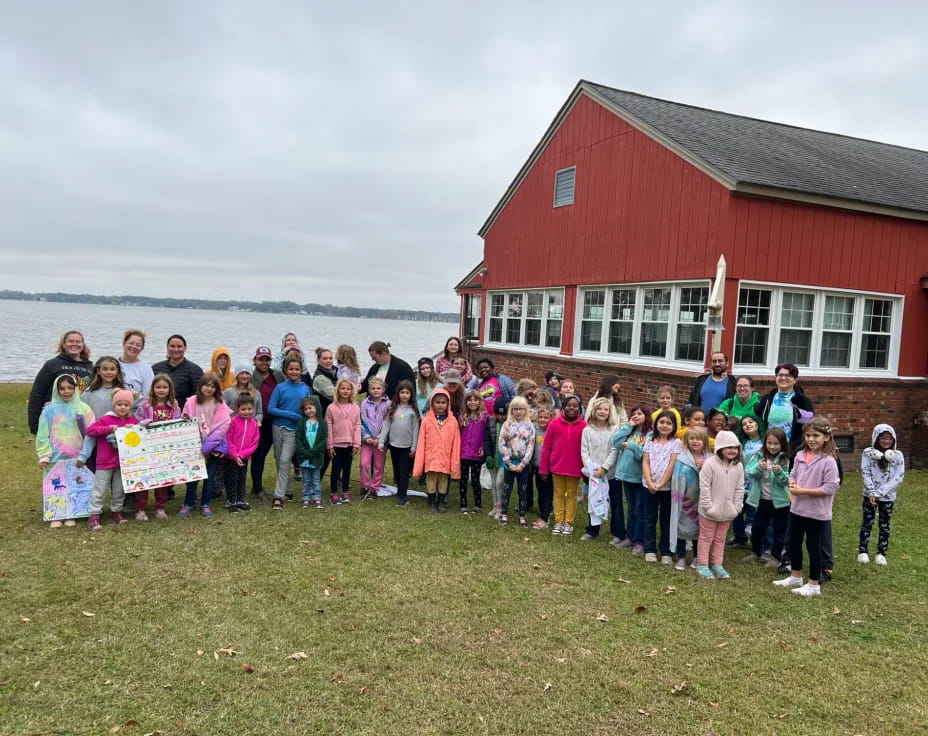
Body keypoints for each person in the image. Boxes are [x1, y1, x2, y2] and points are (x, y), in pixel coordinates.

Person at [773, 416, 840, 597]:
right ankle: (795, 576)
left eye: (816, 435)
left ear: (826, 437)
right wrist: (792, 483)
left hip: (817, 513)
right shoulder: (801, 454)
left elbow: (830, 487)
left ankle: (813, 584)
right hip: (797, 509)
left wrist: (803, 491)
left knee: (813, 546)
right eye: (808, 435)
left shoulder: (829, 461)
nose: (811, 439)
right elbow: (793, 473)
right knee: (794, 543)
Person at [36, 375, 95, 528]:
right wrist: (44, 455)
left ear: (75, 388)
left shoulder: (84, 408)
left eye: (70, 388)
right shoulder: (49, 410)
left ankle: (72, 514)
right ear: (57, 390)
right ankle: (56, 513)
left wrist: (85, 454)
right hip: (55, 457)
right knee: (56, 485)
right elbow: (42, 434)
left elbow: (91, 434)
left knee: (75, 485)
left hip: (77, 457)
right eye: (62, 388)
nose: (66, 391)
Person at [85, 389, 139, 531]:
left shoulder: (133, 421)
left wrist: (133, 429)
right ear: (114, 405)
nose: (122, 407)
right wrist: (108, 429)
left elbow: (140, 436)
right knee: (100, 488)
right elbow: (90, 431)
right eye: (119, 404)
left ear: (130, 406)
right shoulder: (105, 419)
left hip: (123, 463)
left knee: (119, 489)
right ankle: (94, 514)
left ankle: (117, 511)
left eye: (126, 405)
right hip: (105, 461)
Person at [694, 430, 745, 580]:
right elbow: (704, 487)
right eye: (729, 447)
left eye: (735, 447)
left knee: (720, 539)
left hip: (728, 512)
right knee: (706, 537)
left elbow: (740, 488)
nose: (732, 450)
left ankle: (717, 564)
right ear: (720, 448)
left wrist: (737, 507)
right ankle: (702, 564)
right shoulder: (709, 464)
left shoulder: (739, 466)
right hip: (708, 512)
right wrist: (708, 507)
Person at [179, 373, 231, 518]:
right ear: (200, 385)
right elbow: (185, 422)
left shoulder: (220, 404)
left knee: (209, 477)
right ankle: (188, 504)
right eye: (207, 385)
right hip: (194, 445)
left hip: (213, 447)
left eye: (213, 386)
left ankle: (205, 504)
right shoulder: (191, 402)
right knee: (193, 477)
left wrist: (208, 448)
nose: (209, 389)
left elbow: (222, 426)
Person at [134, 374, 182, 520]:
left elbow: (178, 422)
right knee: (145, 477)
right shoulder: (146, 405)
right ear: (153, 388)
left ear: (170, 389)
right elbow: (137, 420)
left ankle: (160, 508)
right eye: (158, 387)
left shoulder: (173, 405)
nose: (161, 390)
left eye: (164, 387)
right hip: (147, 447)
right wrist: (143, 423)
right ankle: (140, 509)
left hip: (164, 449)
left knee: (162, 479)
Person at [28, 330, 94, 435]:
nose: (74, 344)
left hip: (79, 420)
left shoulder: (89, 367)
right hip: (56, 421)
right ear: (64, 344)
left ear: (83, 345)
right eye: (70, 341)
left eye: (78, 341)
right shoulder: (52, 365)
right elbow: (37, 394)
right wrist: (35, 425)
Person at [267, 358, 310, 510]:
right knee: (279, 460)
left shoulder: (305, 388)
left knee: (286, 460)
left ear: (301, 370)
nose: (294, 372)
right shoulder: (280, 387)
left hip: (294, 430)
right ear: (286, 371)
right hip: (278, 428)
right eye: (291, 369)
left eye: (297, 369)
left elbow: (308, 409)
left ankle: (278, 496)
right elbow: (271, 408)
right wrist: (289, 415)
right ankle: (288, 491)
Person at [539, 395, 586, 536]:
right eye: (569, 405)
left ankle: (568, 522)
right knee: (558, 494)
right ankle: (559, 521)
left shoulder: (584, 426)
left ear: (579, 408)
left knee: (571, 495)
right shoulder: (554, 424)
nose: (572, 408)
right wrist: (543, 469)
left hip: (575, 468)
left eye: (575, 406)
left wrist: (586, 471)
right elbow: (546, 447)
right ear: (563, 407)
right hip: (557, 466)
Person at [858, 424, 904, 566]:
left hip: (887, 497)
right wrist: (872, 492)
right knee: (867, 523)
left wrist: (880, 493)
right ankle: (863, 551)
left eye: (889, 438)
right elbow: (865, 472)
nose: (886, 441)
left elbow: (898, 477)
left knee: (884, 525)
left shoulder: (897, 455)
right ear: (876, 438)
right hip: (869, 495)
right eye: (883, 438)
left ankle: (881, 553)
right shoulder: (868, 453)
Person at [744, 428, 791, 566]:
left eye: (776, 444)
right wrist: (759, 467)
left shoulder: (785, 460)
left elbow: (786, 481)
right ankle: (755, 552)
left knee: (779, 530)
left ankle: (775, 557)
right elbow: (749, 473)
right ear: (765, 443)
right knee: (756, 529)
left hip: (781, 502)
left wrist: (780, 473)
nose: (772, 446)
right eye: (769, 443)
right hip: (762, 501)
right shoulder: (759, 456)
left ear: (782, 444)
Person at [579, 397, 621, 544]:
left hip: (610, 474)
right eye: (599, 409)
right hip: (594, 474)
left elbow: (615, 450)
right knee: (594, 501)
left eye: (606, 409)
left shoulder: (614, 430)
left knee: (615, 503)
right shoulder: (587, 430)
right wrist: (592, 468)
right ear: (594, 411)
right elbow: (584, 451)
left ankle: (618, 532)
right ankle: (592, 530)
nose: (602, 412)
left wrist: (604, 468)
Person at [642, 410, 682, 564]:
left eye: (669, 423)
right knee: (649, 518)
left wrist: (660, 484)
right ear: (656, 423)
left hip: (667, 488)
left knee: (666, 520)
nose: (665, 425)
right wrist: (651, 483)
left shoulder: (676, 443)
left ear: (674, 426)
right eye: (662, 422)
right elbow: (645, 462)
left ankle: (666, 551)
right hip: (648, 486)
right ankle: (650, 549)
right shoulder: (650, 440)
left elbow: (672, 464)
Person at [413, 387, 461, 513]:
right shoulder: (427, 421)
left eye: (443, 402)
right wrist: (421, 460)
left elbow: (456, 443)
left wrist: (454, 460)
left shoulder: (452, 421)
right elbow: (422, 441)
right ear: (432, 403)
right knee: (432, 479)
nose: (440, 405)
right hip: (432, 456)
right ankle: (431, 503)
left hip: (445, 456)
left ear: (448, 404)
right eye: (437, 402)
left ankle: (441, 502)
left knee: (443, 480)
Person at [612, 405, 652, 555]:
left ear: (646, 416)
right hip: (627, 476)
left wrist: (633, 446)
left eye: (639, 414)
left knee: (640, 510)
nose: (636, 416)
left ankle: (639, 541)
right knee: (631, 508)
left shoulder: (650, 435)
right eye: (633, 413)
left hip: (640, 478)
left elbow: (643, 455)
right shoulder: (629, 431)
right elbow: (615, 442)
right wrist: (629, 425)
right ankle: (630, 537)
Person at [670, 427, 710, 571]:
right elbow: (676, 478)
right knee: (682, 528)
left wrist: (703, 468)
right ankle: (681, 557)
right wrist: (678, 498)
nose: (695, 442)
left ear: (704, 441)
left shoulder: (710, 459)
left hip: (702, 500)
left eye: (698, 439)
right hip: (684, 500)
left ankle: (696, 556)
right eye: (691, 439)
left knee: (700, 529)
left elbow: (713, 479)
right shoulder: (681, 458)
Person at [756, 363, 815, 456]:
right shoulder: (767, 399)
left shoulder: (802, 401)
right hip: (769, 448)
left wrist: (794, 447)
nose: (783, 378)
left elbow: (808, 427)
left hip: (791, 451)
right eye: (780, 375)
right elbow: (759, 422)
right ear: (776, 378)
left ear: (795, 380)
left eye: (788, 375)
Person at [378, 380, 420, 507]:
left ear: (411, 394)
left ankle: (403, 496)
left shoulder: (413, 410)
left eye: (407, 392)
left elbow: (415, 429)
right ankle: (400, 490)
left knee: (403, 471)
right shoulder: (392, 407)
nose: (404, 395)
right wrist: (381, 440)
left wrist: (414, 445)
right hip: (394, 444)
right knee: (397, 470)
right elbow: (386, 425)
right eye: (402, 392)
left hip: (407, 446)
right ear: (398, 393)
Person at [249, 347, 283, 502]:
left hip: (275, 420)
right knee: (258, 455)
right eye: (261, 359)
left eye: (267, 359)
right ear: (255, 360)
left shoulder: (277, 374)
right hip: (258, 421)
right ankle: (257, 488)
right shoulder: (251, 377)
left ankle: (259, 487)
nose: (264, 362)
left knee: (271, 453)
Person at [81, 356, 125, 471]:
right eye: (105, 369)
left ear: (117, 371)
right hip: (96, 439)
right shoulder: (89, 392)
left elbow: (139, 403)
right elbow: (78, 409)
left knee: (116, 473)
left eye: (112, 369)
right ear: (98, 371)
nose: (109, 372)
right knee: (96, 473)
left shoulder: (122, 391)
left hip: (117, 438)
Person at [498, 396, 535, 527]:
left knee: (523, 490)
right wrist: (508, 463)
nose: (518, 412)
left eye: (521, 409)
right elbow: (502, 445)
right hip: (510, 464)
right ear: (511, 411)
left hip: (523, 465)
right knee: (506, 489)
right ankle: (503, 513)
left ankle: (522, 515)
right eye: (515, 409)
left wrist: (523, 464)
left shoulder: (530, 427)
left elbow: (531, 445)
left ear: (526, 411)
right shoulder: (507, 425)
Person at [730, 413, 764, 546]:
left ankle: (756, 539)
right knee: (735, 511)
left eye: (750, 422)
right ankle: (740, 537)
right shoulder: (742, 443)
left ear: (757, 423)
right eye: (744, 424)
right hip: (742, 482)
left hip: (757, 484)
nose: (747, 425)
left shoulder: (765, 442)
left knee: (753, 512)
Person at [221, 395, 260, 512]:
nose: (246, 412)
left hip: (244, 457)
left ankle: (241, 500)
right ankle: (231, 501)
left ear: (253, 408)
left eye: (249, 409)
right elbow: (229, 439)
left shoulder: (254, 423)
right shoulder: (233, 422)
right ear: (238, 409)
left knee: (242, 478)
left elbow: (254, 442)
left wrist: (242, 455)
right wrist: (235, 454)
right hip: (232, 457)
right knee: (232, 478)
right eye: (243, 409)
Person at [326, 379, 361, 505]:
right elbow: (328, 427)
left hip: (350, 444)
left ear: (352, 391)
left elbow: (357, 426)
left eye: (348, 389)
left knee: (347, 469)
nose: (345, 391)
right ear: (338, 390)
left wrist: (356, 443)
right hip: (336, 444)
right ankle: (333, 493)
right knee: (336, 469)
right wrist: (329, 445)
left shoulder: (356, 408)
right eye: (343, 388)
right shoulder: (331, 408)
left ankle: (345, 491)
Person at [457, 389, 491, 514]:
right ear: (466, 402)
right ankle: (463, 503)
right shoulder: (462, 417)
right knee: (463, 479)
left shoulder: (485, 418)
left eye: (475, 400)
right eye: (469, 400)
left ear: (479, 401)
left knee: (476, 479)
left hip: (477, 453)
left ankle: (478, 504)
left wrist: (483, 448)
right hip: (464, 452)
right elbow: (458, 435)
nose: (472, 402)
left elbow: (486, 435)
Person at [359, 377, 391, 500]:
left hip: (380, 441)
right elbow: (361, 421)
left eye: (378, 388)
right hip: (367, 441)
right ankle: (365, 486)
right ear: (369, 390)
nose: (376, 390)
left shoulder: (389, 404)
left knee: (378, 466)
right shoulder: (364, 403)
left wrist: (380, 438)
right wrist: (366, 437)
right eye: (373, 388)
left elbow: (387, 422)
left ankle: (374, 488)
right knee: (363, 464)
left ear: (383, 389)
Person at [151, 335, 204, 407]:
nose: (176, 349)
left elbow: (199, 398)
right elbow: (149, 393)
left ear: (185, 348)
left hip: (185, 415)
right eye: (172, 346)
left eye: (179, 346)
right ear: (167, 348)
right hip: (157, 412)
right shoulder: (155, 369)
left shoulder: (195, 371)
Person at [294, 396, 328, 510]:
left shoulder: (322, 423)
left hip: (316, 457)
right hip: (304, 457)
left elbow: (324, 439)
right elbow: (298, 438)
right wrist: (304, 452)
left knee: (316, 480)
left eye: (311, 407)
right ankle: (305, 498)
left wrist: (314, 452)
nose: (309, 410)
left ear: (317, 407)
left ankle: (317, 497)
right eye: (306, 409)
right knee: (306, 479)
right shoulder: (302, 423)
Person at [530, 408, 555, 530]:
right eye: (541, 417)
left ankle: (545, 517)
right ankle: (543, 513)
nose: (543, 420)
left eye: (546, 417)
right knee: (540, 491)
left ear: (551, 418)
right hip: (536, 465)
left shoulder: (552, 431)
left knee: (547, 492)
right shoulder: (535, 430)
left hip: (548, 468)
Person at [485, 398, 507, 520]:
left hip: (504, 459)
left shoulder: (509, 424)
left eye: (503, 414)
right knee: (493, 482)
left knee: (500, 482)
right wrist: (487, 455)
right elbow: (487, 439)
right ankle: (495, 505)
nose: (501, 417)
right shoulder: (490, 421)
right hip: (493, 457)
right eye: (498, 414)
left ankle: (501, 507)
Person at [118, 329, 154, 403]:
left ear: (142, 348)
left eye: (138, 345)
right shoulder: (113, 365)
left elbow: (148, 397)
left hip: (137, 412)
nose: (134, 347)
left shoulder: (146, 369)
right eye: (131, 343)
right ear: (124, 343)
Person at [312, 348, 337, 416]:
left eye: (330, 358)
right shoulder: (319, 378)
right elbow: (334, 396)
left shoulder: (337, 371)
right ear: (318, 360)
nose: (328, 361)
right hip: (326, 415)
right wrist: (355, 390)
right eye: (325, 359)